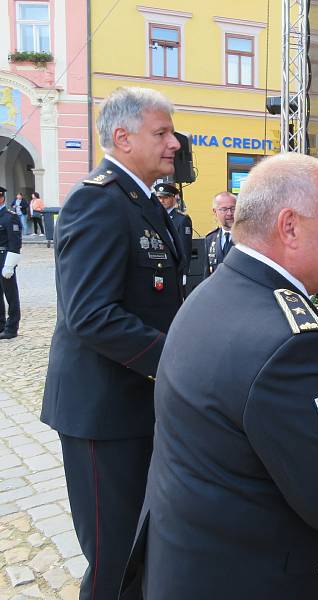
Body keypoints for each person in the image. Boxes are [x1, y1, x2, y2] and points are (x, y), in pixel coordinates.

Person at [119, 153, 318, 600]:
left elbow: (264, 411)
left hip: (193, 559)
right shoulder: (294, 341)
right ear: (290, 226)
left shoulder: (216, 291)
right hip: (250, 575)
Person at [40, 86, 184, 600]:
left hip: (135, 404)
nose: (174, 143)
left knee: (141, 546)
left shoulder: (145, 204)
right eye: (161, 133)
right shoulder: (97, 201)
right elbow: (90, 315)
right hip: (103, 412)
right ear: (122, 138)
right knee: (114, 556)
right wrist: (177, 363)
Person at [155, 182, 193, 282]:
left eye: (165, 197)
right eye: (159, 198)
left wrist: (184, 272)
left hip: (174, 267)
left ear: (174, 198)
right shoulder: (154, 217)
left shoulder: (181, 219)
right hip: (157, 266)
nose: (162, 201)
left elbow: (185, 247)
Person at [0, 186, 22, 340]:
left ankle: (12, 327)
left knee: (10, 294)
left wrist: (10, 264)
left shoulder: (9, 216)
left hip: (5, 257)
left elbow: (15, 242)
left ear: (1, 197)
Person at [204, 191, 236, 276]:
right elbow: (207, 274)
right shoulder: (210, 239)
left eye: (233, 208)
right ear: (215, 212)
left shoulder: (248, 237)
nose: (229, 213)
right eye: (224, 209)